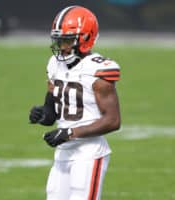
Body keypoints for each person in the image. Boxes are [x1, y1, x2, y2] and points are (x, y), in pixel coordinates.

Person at [29, 5, 121, 200]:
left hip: (88, 153)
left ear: (86, 38)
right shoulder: (55, 64)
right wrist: (42, 114)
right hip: (63, 152)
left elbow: (113, 121)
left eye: (67, 41)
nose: (62, 47)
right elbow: (52, 111)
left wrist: (71, 133)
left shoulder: (98, 70)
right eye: (59, 40)